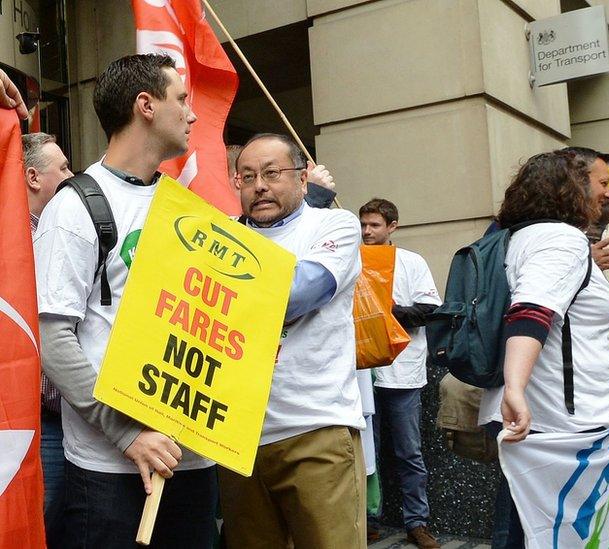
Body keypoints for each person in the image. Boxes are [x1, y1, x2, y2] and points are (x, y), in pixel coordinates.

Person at [34, 54, 218, 547]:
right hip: (109, 472)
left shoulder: (187, 208)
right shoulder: (73, 208)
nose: (192, 114)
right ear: (146, 105)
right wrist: (127, 434)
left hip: (190, 461)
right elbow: (53, 341)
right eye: (181, 99)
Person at [218, 132, 366, 548]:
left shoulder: (334, 224)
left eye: (272, 173)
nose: (259, 185)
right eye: (247, 177)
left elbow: (299, 293)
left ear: (303, 180)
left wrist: (222, 290)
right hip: (235, 438)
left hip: (314, 429)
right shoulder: (223, 232)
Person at [478, 150, 609, 548]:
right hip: (556, 422)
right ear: (571, 190)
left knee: (523, 526)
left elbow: (565, 323)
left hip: (544, 413)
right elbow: (531, 310)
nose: (606, 193)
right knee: (546, 534)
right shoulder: (562, 240)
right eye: (598, 184)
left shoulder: (518, 237)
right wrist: (515, 387)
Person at [360, 197, 442, 549]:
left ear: (392, 227)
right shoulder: (352, 259)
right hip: (362, 373)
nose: (367, 231)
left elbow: (430, 309)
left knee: (409, 452)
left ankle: (417, 522)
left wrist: (388, 310)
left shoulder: (411, 262)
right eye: (363, 224)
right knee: (366, 453)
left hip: (402, 373)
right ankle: (367, 522)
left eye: (374, 225)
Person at [23, 132, 74, 546]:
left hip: (65, 417)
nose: (72, 175)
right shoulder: (11, 241)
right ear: (33, 176)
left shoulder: (61, 230)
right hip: (32, 422)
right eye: (63, 168)